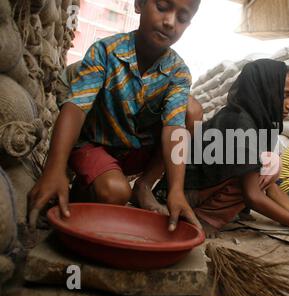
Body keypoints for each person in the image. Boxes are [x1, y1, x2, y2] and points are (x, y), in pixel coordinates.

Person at [28, 0, 203, 232]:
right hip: (93, 144)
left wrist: (176, 190)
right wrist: (55, 168)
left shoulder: (179, 72)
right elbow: (76, 107)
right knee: (115, 193)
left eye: (181, 18)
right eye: (162, 7)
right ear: (139, 4)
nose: (170, 22)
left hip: (133, 151)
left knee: (193, 112)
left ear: (188, 25)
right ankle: (86, 185)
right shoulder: (105, 52)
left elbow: (174, 128)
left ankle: (143, 186)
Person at [154, 59, 289, 242]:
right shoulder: (239, 122)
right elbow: (253, 195)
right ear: (265, 89)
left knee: (270, 165)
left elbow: (270, 187)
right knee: (271, 164)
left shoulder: (258, 123)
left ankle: (205, 212)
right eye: (285, 94)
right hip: (182, 194)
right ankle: (204, 217)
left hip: (201, 190)